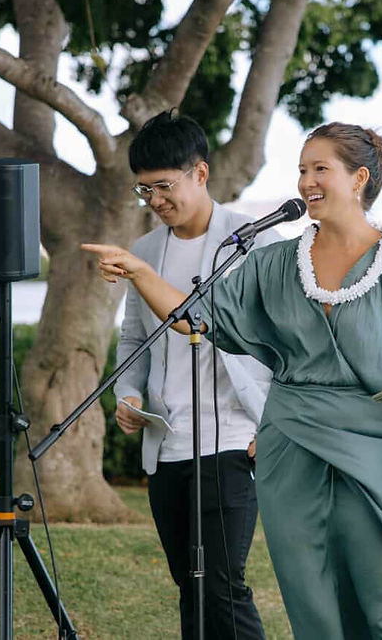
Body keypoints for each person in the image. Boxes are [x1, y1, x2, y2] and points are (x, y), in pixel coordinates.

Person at [86, 122, 382, 639]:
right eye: (301, 170)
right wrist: (139, 271)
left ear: (358, 178)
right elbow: (195, 318)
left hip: (371, 449)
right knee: (311, 596)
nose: (306, 181)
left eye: (320, 169)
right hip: (290, 447)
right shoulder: (273, 263)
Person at [112, 110, 278, 640]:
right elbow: (134, 338)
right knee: (189, 584)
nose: (156, 201)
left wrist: (268, 424)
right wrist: (129, 391)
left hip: (230, 439)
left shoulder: (250, 242)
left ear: (201, 174)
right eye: (144, 191)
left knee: (224, 586)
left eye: (164, 186)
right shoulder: (144, 252)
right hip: (167, 445)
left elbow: (283, 342)